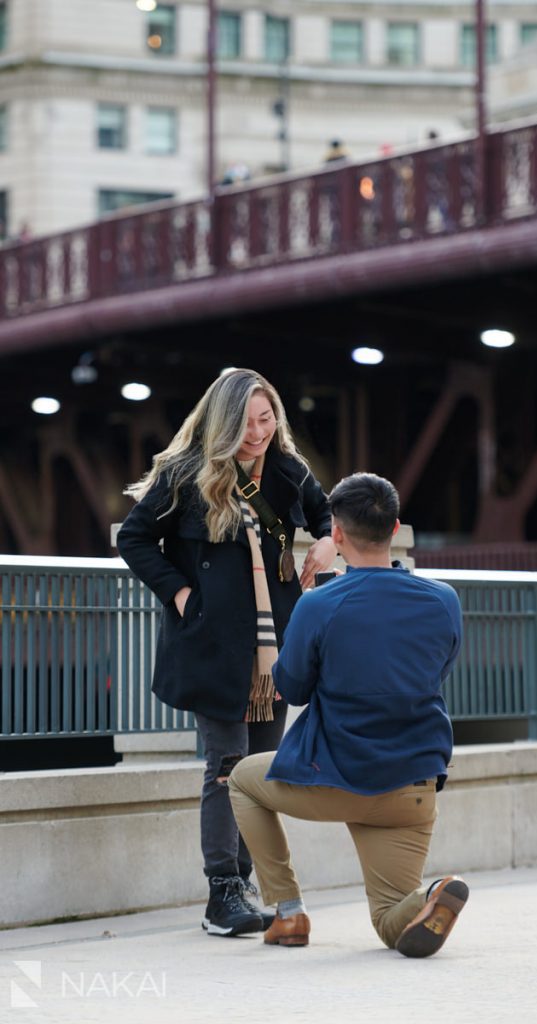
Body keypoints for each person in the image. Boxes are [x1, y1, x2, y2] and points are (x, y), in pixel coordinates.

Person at [117, 368, 337, 938]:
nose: (258, 433)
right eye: (247, 423)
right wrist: (181, 592)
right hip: (215, 644)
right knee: (226, 765)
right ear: (222, 423)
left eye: (267, 420)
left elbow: (323, 512)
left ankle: (243, 883)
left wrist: (329, 541)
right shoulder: (186, 475)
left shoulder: (286, 471)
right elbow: (133, 537)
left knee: (261, 770)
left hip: (273, 651)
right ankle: (222, 894)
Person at [228, 472, 467, 958]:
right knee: (390, 920)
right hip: (411, 785)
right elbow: (437, 670)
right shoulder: (444, 600)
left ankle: (289, 910)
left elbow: (290, 688)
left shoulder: (320, 603)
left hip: (337, 777)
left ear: (336, 534)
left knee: (240, 780)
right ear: (395, 527)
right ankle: (428, 896)